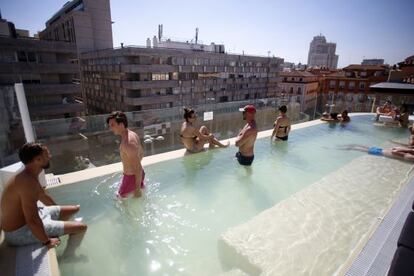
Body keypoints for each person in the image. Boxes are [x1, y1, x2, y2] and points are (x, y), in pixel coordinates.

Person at [0, 143, 87, 247]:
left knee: (74, 209)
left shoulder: (29, 174)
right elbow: (32, 220)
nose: (50, 156)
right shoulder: (27, 182)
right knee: (82, 227)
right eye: (47, 154)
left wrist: (57, 211)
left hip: (37, 215)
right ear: (38, 160)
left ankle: (61, 229)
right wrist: (47, 241)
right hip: (20, 231)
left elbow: (43, 196)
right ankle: (69, 256)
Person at [107, 111, 144, 198]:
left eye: (112, 125)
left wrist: (137, 189)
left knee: (120, 201)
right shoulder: (132, 134)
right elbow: (141, 153)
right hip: (135, 176)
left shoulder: (128, 143)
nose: (111, 128)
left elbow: (137, 168)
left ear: (121, 124)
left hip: (132, 177)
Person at [343, 144, 414, 162]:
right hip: (380, 151)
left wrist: (410, 150)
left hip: (380, 151)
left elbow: (394, 150)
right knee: (356, 147)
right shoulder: (409, 155)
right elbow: (394, 150)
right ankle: (344, 148)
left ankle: (344, 148)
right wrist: (409, 150)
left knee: (356, 147)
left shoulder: (410, 154)